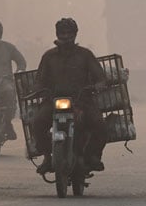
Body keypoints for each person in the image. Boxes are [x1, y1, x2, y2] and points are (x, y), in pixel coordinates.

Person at [32, 18, 108, 174]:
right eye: (62, 33)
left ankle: (93, 155)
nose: (66, 37)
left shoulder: (85, 55)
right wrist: (39, 89)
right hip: (53, 101)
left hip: (82, 100)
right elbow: (39, 79)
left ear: (75, 34)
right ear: (57, 34)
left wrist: (98, 85)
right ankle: (47, 157)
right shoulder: (49, 57)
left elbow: (100, 77)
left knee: (100, 125)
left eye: (69, 33)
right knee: (37, 123)